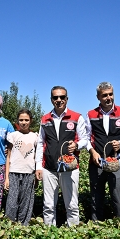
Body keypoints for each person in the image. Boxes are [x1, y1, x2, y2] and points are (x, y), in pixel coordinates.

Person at [35, 86, 88, 226]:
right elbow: (40, 143)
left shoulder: (77, 117)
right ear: (51, 99)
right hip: (49, 168)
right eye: (55, 97)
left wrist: (76, 145)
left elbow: (85, 139)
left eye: (62, 97)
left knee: (72, 205)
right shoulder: (45, 119)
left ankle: (73, 235)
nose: (59, 100)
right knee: (48, 206)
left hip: (70, 168)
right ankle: (48, 235)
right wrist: (38, 166)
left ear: (67, 99)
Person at [85, 82, 120, 224]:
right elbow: (86, 138)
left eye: (110, 94)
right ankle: (96, 227)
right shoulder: (91, 114)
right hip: (97, 164)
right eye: (104, 95)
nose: (108, 98)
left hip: (117, 164)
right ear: (98, 97)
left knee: (119, 199)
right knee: (96, 198)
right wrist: (92, 152)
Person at [4, 109, 38, 225]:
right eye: (21, 120)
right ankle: (10, 224)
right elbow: (8, 157)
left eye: (26, 120)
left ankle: (23, 225)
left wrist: (36, 177)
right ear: (17, 121)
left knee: (26, 201)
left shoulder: (35, 137)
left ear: (31, 121)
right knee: (12, 202)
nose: (24, 122)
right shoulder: (13, 136)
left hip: (29, 173)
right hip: (14, 172)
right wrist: (6, 178)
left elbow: (36, 156)